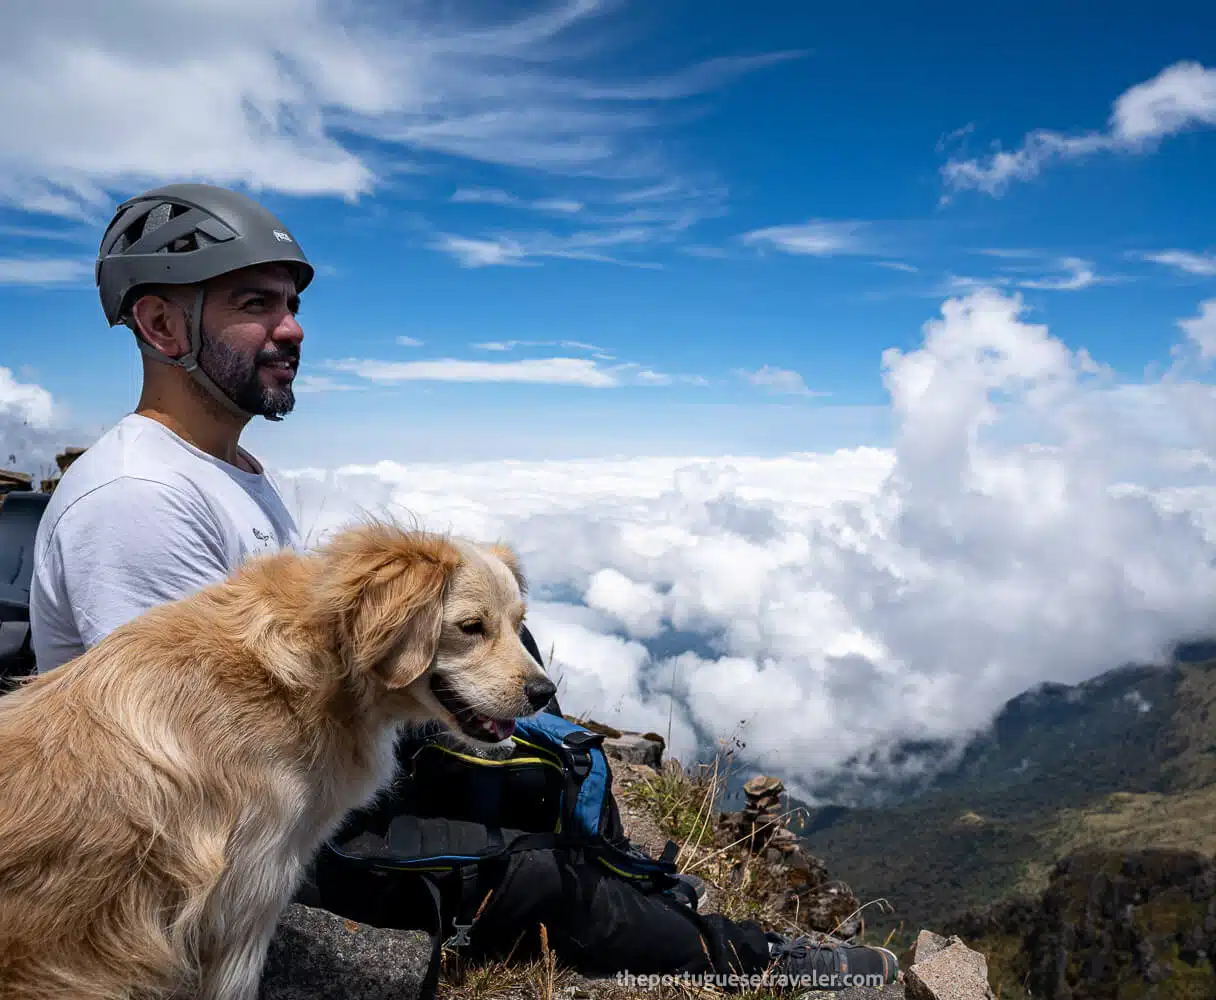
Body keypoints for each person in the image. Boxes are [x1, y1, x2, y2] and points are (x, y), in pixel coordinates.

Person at [26, 181, 900, 991]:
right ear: (163, 326)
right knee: (535, 877)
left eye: (292, 305)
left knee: (545, 772)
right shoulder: (136, 500)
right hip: (246, 826)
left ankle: (665, 903)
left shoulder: (230, 468)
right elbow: (168, 796)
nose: (292, 328)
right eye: (256, 305)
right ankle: (757, 962)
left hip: (298, 775)